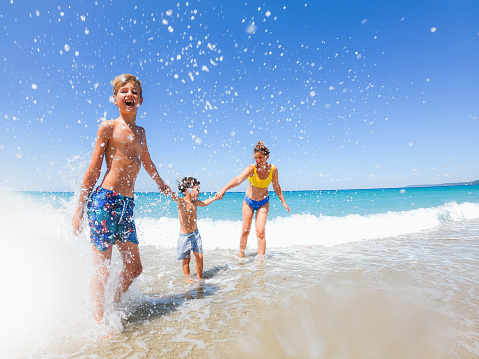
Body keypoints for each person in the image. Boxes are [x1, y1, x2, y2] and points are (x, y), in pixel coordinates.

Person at [71, 74, 170, 325]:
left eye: (134, 92)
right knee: (102, 269)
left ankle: (113, 304)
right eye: (124, 92)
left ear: (141, 100)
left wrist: (160, 184)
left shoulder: (141, 132)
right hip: (105, 201)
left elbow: (147, 161)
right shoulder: (108, 127)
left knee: (134, 268)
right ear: (115, 99)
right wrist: (78, 209)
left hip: (127, 205)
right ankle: (100, 320)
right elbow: (93, 170)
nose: (129, 95)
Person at [215, 141, 290, 259]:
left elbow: (276, 186)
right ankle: (241, 254)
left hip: (263, 202)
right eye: (256, 158)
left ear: (267, 156)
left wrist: (283, 202)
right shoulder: (251, 169)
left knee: (260, 232)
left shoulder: (273, 169)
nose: (258, 160)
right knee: (245, 230)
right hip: (248, 202)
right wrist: (224, 189)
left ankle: (261, 260)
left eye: (260, 157)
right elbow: (238, 179)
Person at [169, 177, 217, 283]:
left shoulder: (195, 203)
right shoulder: (182, 202)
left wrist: (215, 198)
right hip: (184, 236)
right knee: (186, 259)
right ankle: (188, 278)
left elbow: (204, 203)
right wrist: (169, 191)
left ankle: (199, 276)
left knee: (199, 256)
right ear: (188, 190)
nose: (199, 191)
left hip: (195, 234)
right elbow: (174, 197)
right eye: (197, 189)